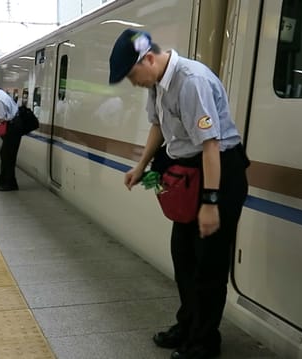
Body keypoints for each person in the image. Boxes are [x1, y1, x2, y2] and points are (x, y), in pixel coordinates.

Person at [109, 29, 249, 359]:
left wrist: (211, 202)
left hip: (219, 173)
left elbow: (211, 146)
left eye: (132, 75)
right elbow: (158, 125)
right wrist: (141, 165)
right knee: (183, 257)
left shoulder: (190, 80)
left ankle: (204, 342)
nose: (134, 83)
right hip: (189, 172)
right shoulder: (158, 83)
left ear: (148, 59)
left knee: (208, 265)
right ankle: (187, 325)